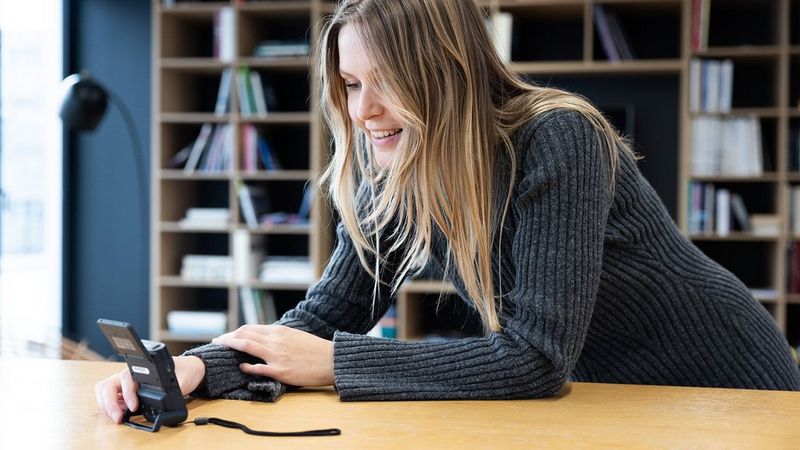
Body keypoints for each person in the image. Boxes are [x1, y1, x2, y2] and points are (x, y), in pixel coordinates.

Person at [96, 0, 800, 423]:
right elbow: (318, 320)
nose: (363, 111)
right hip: (621, 403)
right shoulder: (395, 173)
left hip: (732, 389)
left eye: (386, 83)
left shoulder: (560, 138)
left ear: (445, 72)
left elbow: (534, 360)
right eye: (349, 83)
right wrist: (195, 370)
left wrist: (339, 365)